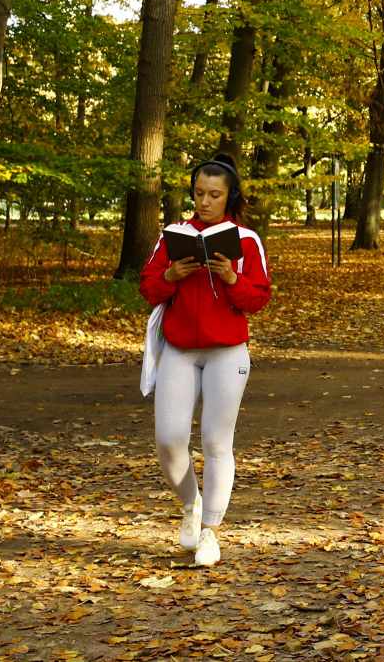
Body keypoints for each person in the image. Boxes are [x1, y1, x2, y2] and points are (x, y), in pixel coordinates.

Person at [139, 153, 272, 567]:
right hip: (179, 349)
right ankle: (190, 504)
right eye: (199, 193)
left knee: (217, 442)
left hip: (227, 352)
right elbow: (147, 288)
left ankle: (211, 532)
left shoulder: (245, 240)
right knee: (169, 439)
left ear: (230, 197)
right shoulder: (173, 235)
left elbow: (259, 298)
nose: (205, 201)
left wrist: (232, 277)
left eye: (214, 195)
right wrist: (170, 276)